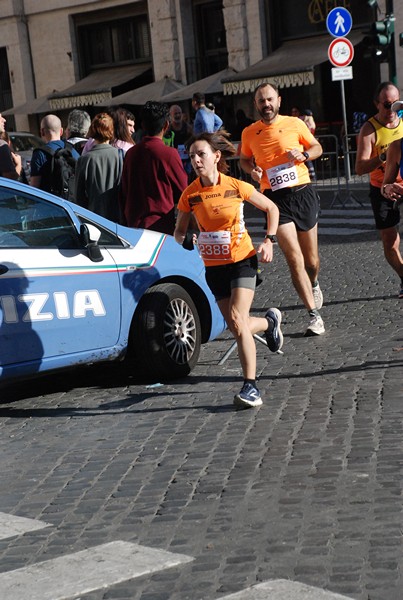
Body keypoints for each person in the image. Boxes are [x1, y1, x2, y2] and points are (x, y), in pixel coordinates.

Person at [174, 130, 282, 409]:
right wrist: (188, 240)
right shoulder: (190, 195)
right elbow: (179, 231)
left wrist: (269, 241)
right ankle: (270, 323)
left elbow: (271, 208)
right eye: (192, 156)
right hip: (214, 267)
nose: (196, 160)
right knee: (237, 325)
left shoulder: (237, 186)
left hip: (242, 260)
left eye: (201, 154)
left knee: (236, 317)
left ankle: (251, 387)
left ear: (216, 156)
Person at [239, 83, 325, 336]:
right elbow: (244, 158)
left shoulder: (295, 124)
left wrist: (305, 155)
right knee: (294, 258)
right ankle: (313, 315)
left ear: (278, 100)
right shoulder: (249, 133)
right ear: (256, 105)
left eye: (269, 100)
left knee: (311, 261)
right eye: (261, 101)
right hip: (275, 200)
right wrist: (251, 170)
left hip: (302, 193)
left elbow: (317, 147)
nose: (266, 105)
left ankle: (315, 282)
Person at [355, 82, 403, 299]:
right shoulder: (369, 129)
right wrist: (383, 157)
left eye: (396, 104)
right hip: (382, 189)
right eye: (386, 104)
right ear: (377, 104)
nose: (391, 110)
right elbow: (359, 168)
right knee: (390, 241)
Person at [119, 101, 188, 235]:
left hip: (133, 226)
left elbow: (124, 191)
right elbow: (183, 191)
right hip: (161, 227)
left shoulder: (131, 153)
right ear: (166, 125)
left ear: (143, 125)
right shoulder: (169, 154)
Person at [74, 113, 123, 222]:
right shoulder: (121, 156)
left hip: (95, 221)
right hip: (119, 220)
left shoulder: (84, 160)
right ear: (111, 130)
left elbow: (79, 198)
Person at [30, 114, 80, 193]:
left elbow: (34, 188)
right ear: (61, 131)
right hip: (71, 202)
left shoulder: (39, 154)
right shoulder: (72, 150)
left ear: (42, 132)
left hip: (49, 202)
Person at [0, 116, 22, 181]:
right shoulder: (2, 145)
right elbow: (10, 180)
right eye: (0, 117)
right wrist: (18, 165)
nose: (4, 120)